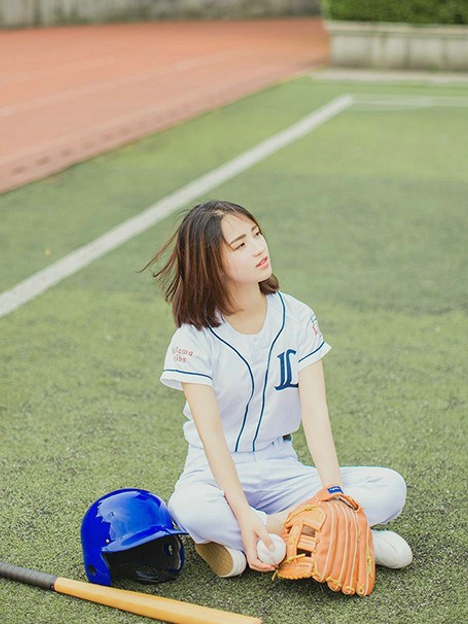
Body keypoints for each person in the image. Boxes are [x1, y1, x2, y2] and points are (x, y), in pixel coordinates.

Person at [147, 200, 413, 579]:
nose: (258, 247)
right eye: (240, 244)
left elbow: (315, 413)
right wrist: (242, 512)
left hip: (281, 467)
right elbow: (211, 436)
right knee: (190, 507)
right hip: (213, 472)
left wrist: (333, 493)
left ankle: (267, 540)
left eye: (256, 234)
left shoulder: (298, 316)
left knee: (390, 487)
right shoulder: (193, 337)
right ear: (212, 265)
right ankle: (343, 538)